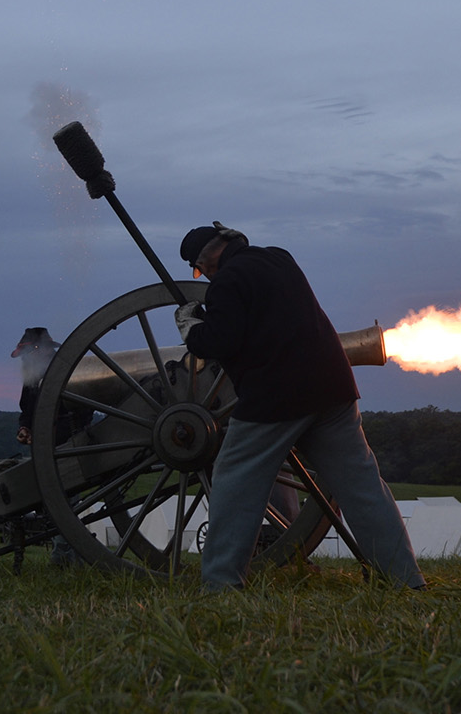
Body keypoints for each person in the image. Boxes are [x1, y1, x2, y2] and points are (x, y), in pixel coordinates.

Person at [174, 223, 424, 591]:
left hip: (276, 396)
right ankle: (406, 579)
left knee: (233, 482)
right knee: (364, 486)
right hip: (332, 387)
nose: (202, 274)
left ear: (210, 255)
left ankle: (221, 584)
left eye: (198, 267)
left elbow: (218, 342)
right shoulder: (280, 258)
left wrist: (190, 326)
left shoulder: (226, 282)